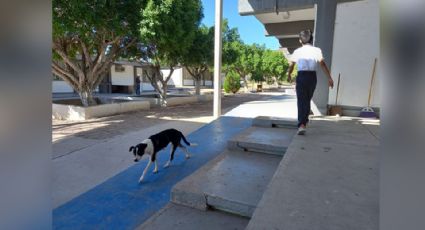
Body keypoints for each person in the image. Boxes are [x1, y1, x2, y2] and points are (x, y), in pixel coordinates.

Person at [287, 30, 334, 135]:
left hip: (302, 76)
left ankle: (302, 124)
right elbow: (323, 64)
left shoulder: (297, 51)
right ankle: (304, 121)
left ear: (300, 40)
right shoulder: (317, 50)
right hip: (312, 77)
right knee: (307, 99)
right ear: (311, 39)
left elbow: (292, 65)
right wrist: (329, 78)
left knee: (301, 100)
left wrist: (289, 74)